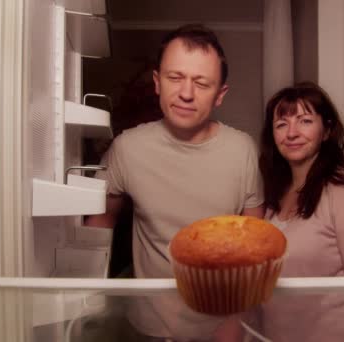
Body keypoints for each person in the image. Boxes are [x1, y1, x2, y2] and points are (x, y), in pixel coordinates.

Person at [85, 24, 264, 341]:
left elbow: (254, 246)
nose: (186, 93)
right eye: (175, 77)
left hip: (221, 327)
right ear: (157, 82)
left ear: (220, 95)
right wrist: (89, 298)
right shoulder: (127, 149)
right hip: (148, 328)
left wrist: (238, 319)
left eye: (201, 83)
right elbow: (100, 221)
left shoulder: (243, 151)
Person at [258, 82, 344, 341]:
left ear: (327, 130)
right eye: (281, 124)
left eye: (305, 121)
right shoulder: (275, 194)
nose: (292, 133)